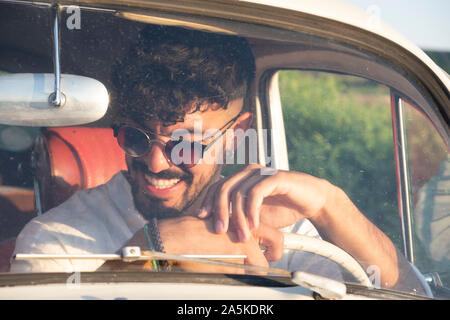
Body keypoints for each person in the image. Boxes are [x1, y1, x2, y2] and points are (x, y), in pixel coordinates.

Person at [10, 26, 424, 292]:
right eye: (136, 137)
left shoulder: (282, 221)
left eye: (186, 144)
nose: (155, 163)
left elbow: (408, 293)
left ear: (237, 135)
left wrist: (330, 204)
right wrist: (146, 257)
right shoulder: (58, 240)